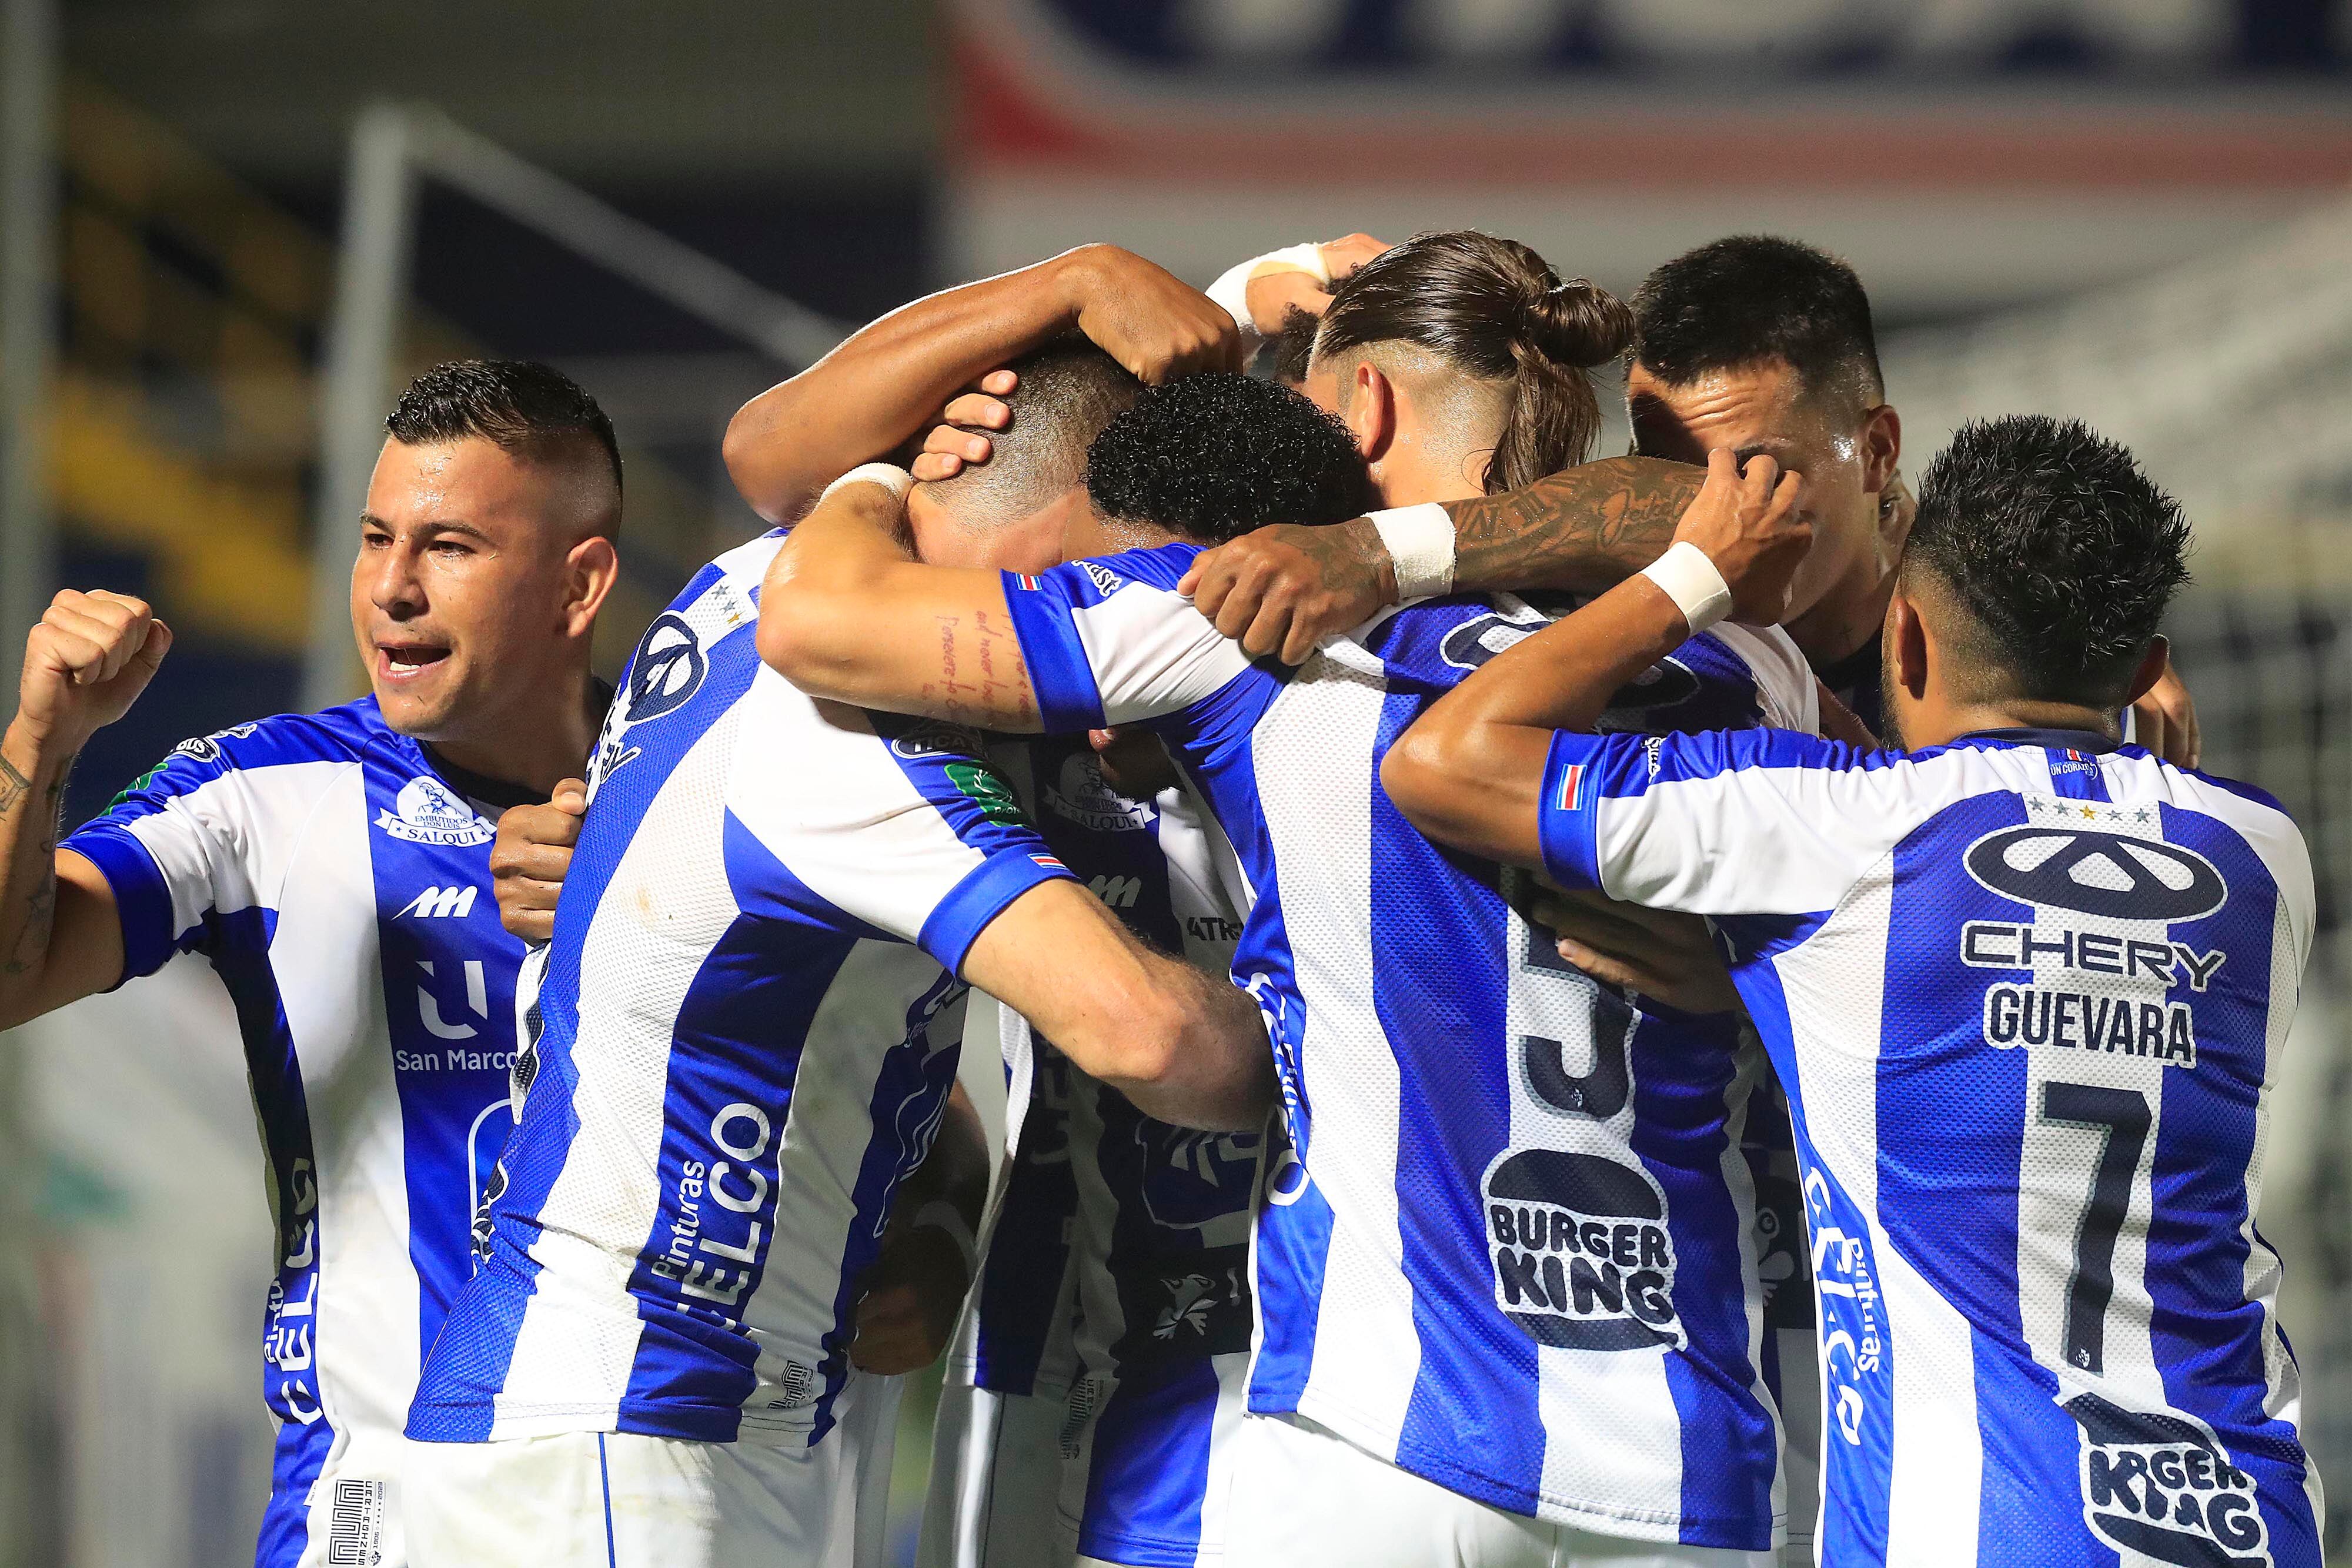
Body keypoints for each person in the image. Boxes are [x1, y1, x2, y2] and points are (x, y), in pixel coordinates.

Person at [759, 297, 1818, 1568]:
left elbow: (807, 600)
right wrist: (1751, 976)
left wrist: (877, 474)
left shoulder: (1240, 622)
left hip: (1372, 1437)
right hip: (1703, 1462)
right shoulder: (1752, 659)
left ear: (1360, 409)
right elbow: (1709, 514)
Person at [1381, 420, 2326, 1566]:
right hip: (2244, 1517)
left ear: (1907, 638)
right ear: (2140, 670)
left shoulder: (1835, 825)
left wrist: (1697, 577)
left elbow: (1442, 759)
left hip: (1977, 1532)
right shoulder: (2261, 855)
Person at [399, 366, 1276, 1566]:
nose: (1099, 682)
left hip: (673, 1412)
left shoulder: (752, 571)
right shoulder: (863, 728)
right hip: (626, 1429)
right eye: (1086, 600)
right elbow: (1156, 1041)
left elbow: (868, 1057)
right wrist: (1401, 1004)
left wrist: (945, 1215)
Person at [0, 360, 620, 1568]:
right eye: (376, 537)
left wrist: (931, 1237)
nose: (391, 587)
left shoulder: (702, 797)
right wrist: (42, 739)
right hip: (378, 1505)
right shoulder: (261, 794)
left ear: (576, 583)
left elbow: (905, 1096)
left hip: (653, 1495)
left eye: (448, 545)